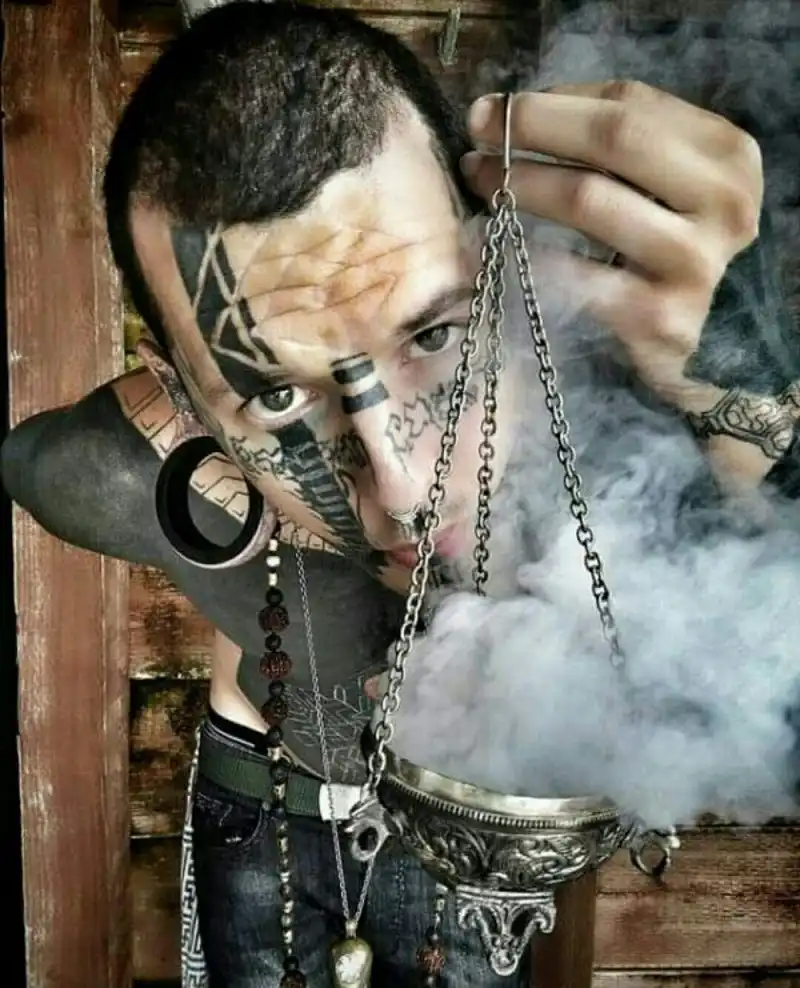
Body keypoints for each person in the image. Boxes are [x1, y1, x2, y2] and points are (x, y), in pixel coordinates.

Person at [2, 1, 793, 985]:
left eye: (434, 335)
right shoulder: (138, 458)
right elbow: (37, 463)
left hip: (459, 836)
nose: (405, 488)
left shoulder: (606, 412)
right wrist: (211, 469)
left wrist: (750, 415)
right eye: (277, 396)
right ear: (187, 395)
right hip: (263, 800)